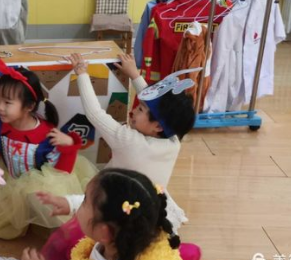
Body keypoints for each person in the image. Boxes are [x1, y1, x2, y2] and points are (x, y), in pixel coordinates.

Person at [21, 168, 196, 260]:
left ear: (105, 233)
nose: (81, 204)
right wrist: (71, 203)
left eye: (84, 202)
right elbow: (111, 208)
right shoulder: (146, 226)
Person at [69, 52, 196, 230]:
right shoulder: (173, 140)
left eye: (140, 109)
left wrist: (82, 74)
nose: (134, 110)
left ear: (158, 126)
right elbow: (155, 105)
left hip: (119, 207)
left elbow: (95, 113)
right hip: (150, 206)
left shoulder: (129, 141)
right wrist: (134, 74)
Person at [0, 58, 95, 239]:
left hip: (43, 182)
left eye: (7, 102)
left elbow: (62, 172)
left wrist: (68, 144)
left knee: (61, 221)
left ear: (29, 106)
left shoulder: (46, 135)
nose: (0, 107)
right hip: (11, 182)